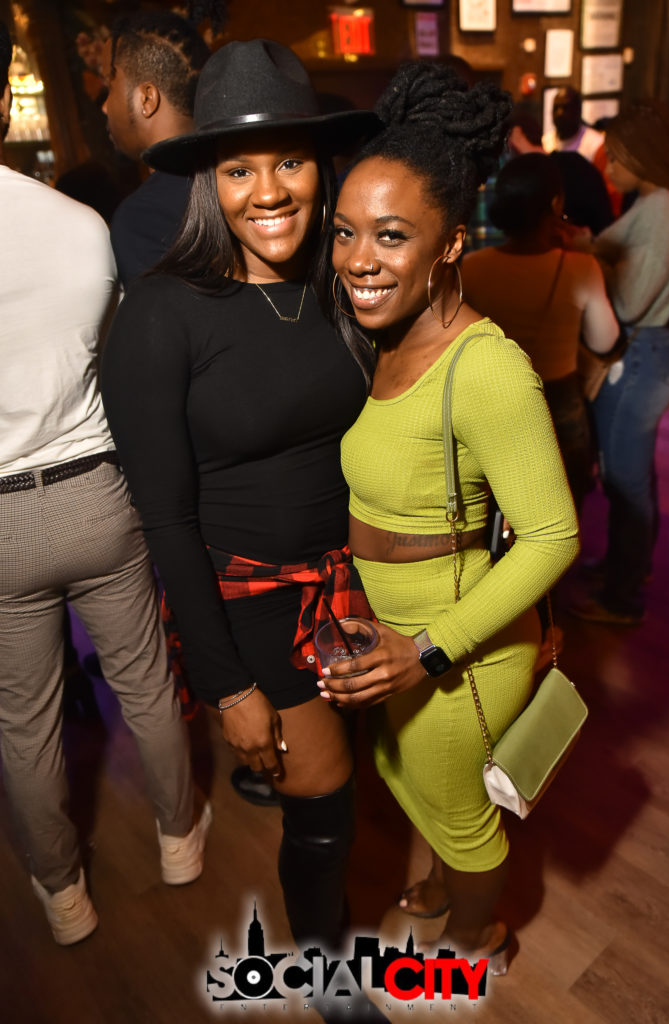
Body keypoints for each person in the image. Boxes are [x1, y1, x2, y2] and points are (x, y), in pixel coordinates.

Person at [101, 39, 381, 981]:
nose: (269, 191)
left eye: (290, 160)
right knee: (324, 803)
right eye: (239, 169)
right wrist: (227, 687)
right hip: (256, 599)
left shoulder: (337, 286)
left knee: (357, 782)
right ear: (206, 183)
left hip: (359, 583)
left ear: (322, 168)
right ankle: (329, 976)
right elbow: (165, 519)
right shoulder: (161, 312)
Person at [322, 61, 580, 969]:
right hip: (393, 628)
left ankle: (479, 938)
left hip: (457, 646)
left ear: (451, 244)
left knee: (462, 814)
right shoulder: (384, 337)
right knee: (400, 771)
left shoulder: (487, 368)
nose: (358, 258)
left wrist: (429, 647)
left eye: (392, 236)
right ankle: (439, 885)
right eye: (346, 231)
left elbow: (554, 535)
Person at [0, 18, 209, 948]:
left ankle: (63, 895)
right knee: (146, 683)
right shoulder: (83, 227)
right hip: (94, 489)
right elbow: (115, 363)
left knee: (26, 723)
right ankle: (180, 841)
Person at [569, 101, 669, 626]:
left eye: (615, 157)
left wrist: (589, 269)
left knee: (625, 478)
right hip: (645, 353)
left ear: (641, 154)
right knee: (632, 475)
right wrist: (594, 248)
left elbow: (633, 301)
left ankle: (622, 598)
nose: (609, 167)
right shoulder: (654, 203)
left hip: (639, 354)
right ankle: (628, 568)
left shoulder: (661, 209)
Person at [462, 153, 619, 515]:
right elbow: (605, 341)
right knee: (559, 521)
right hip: (558, 410)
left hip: (492, 405)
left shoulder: (472, 267)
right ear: (555, 204)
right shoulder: (581, 267)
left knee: (494, 514)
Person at [103, 11, 210, 286]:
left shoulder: (142, 219)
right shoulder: (236, 178)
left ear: (147, 98)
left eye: (109, 85)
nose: (104, 106)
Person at [542, 87, 604, 163]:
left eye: (565, 108)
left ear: (578, 111)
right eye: (556, 108)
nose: (559, 113)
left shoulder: (596, 144)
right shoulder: (546, 142)